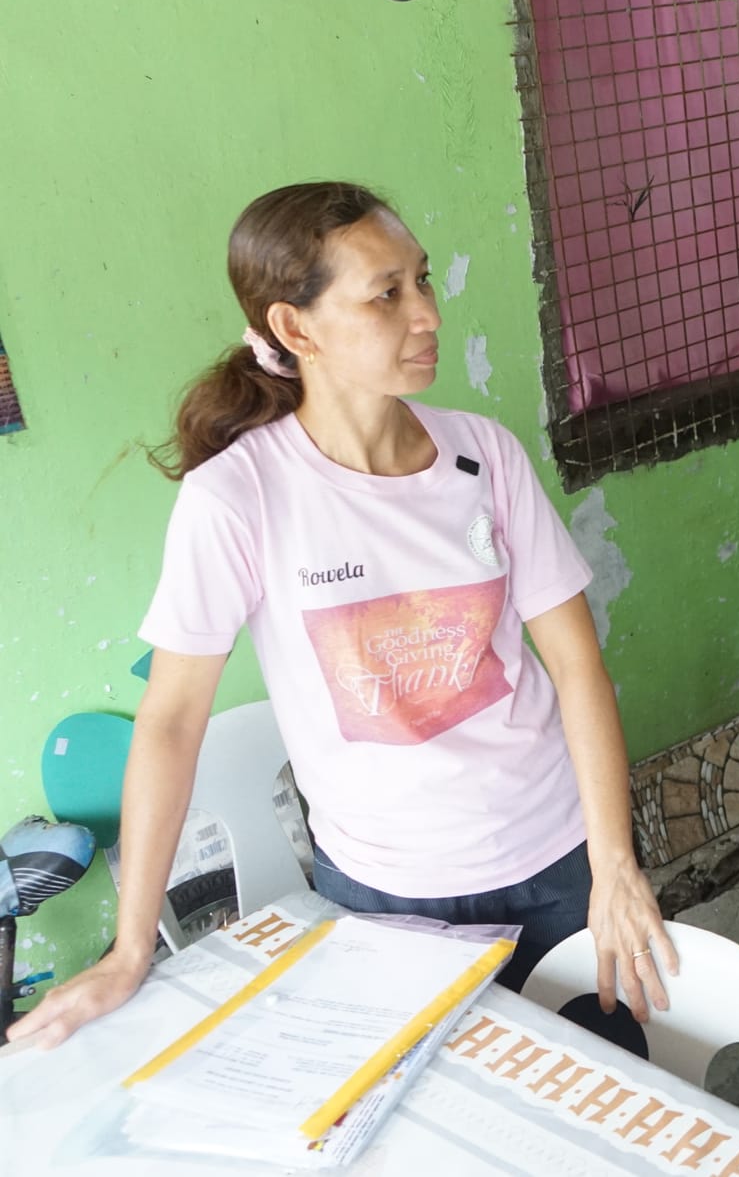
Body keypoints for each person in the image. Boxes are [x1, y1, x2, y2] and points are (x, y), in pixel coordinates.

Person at [8, 182, 673, 1051]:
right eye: (386, 294)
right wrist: (132, 947)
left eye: (423, 280)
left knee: (606, 1097)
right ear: (295, 328)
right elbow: (171, 722)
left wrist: (612, 859)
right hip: (391, 895)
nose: (427, 312)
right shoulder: (239, 497)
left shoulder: (486, 453)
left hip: (559, 857)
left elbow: (577, 665)